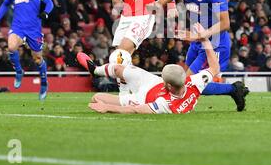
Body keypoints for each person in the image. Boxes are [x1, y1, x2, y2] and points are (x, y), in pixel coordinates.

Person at [77, 23, 249, 114]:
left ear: (166, 85)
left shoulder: (164, 104)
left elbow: (136, 110)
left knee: (96, 97)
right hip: (153, 82)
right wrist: (204, 40)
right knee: (119, 68)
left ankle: (123, 90)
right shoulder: (194, 83)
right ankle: (96, 70)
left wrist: (108, 108)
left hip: (142, 96)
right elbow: (214, 67)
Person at [153, 0, 246, 111]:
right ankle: (233, 90)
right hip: (197, 40)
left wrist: (201, 35)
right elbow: (161, 2)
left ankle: (233, 89)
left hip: (214, 42)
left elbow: (225, 23)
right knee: (185, 80)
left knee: (188, 82)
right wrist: (140, 12)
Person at [0, 0, 54, 100]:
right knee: (11, 47)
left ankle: (44, 83)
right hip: (18, 27)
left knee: (38, 59)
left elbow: (49, 2)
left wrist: (45, 13)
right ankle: (19, 71)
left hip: (34, 29)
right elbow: (5, 4)